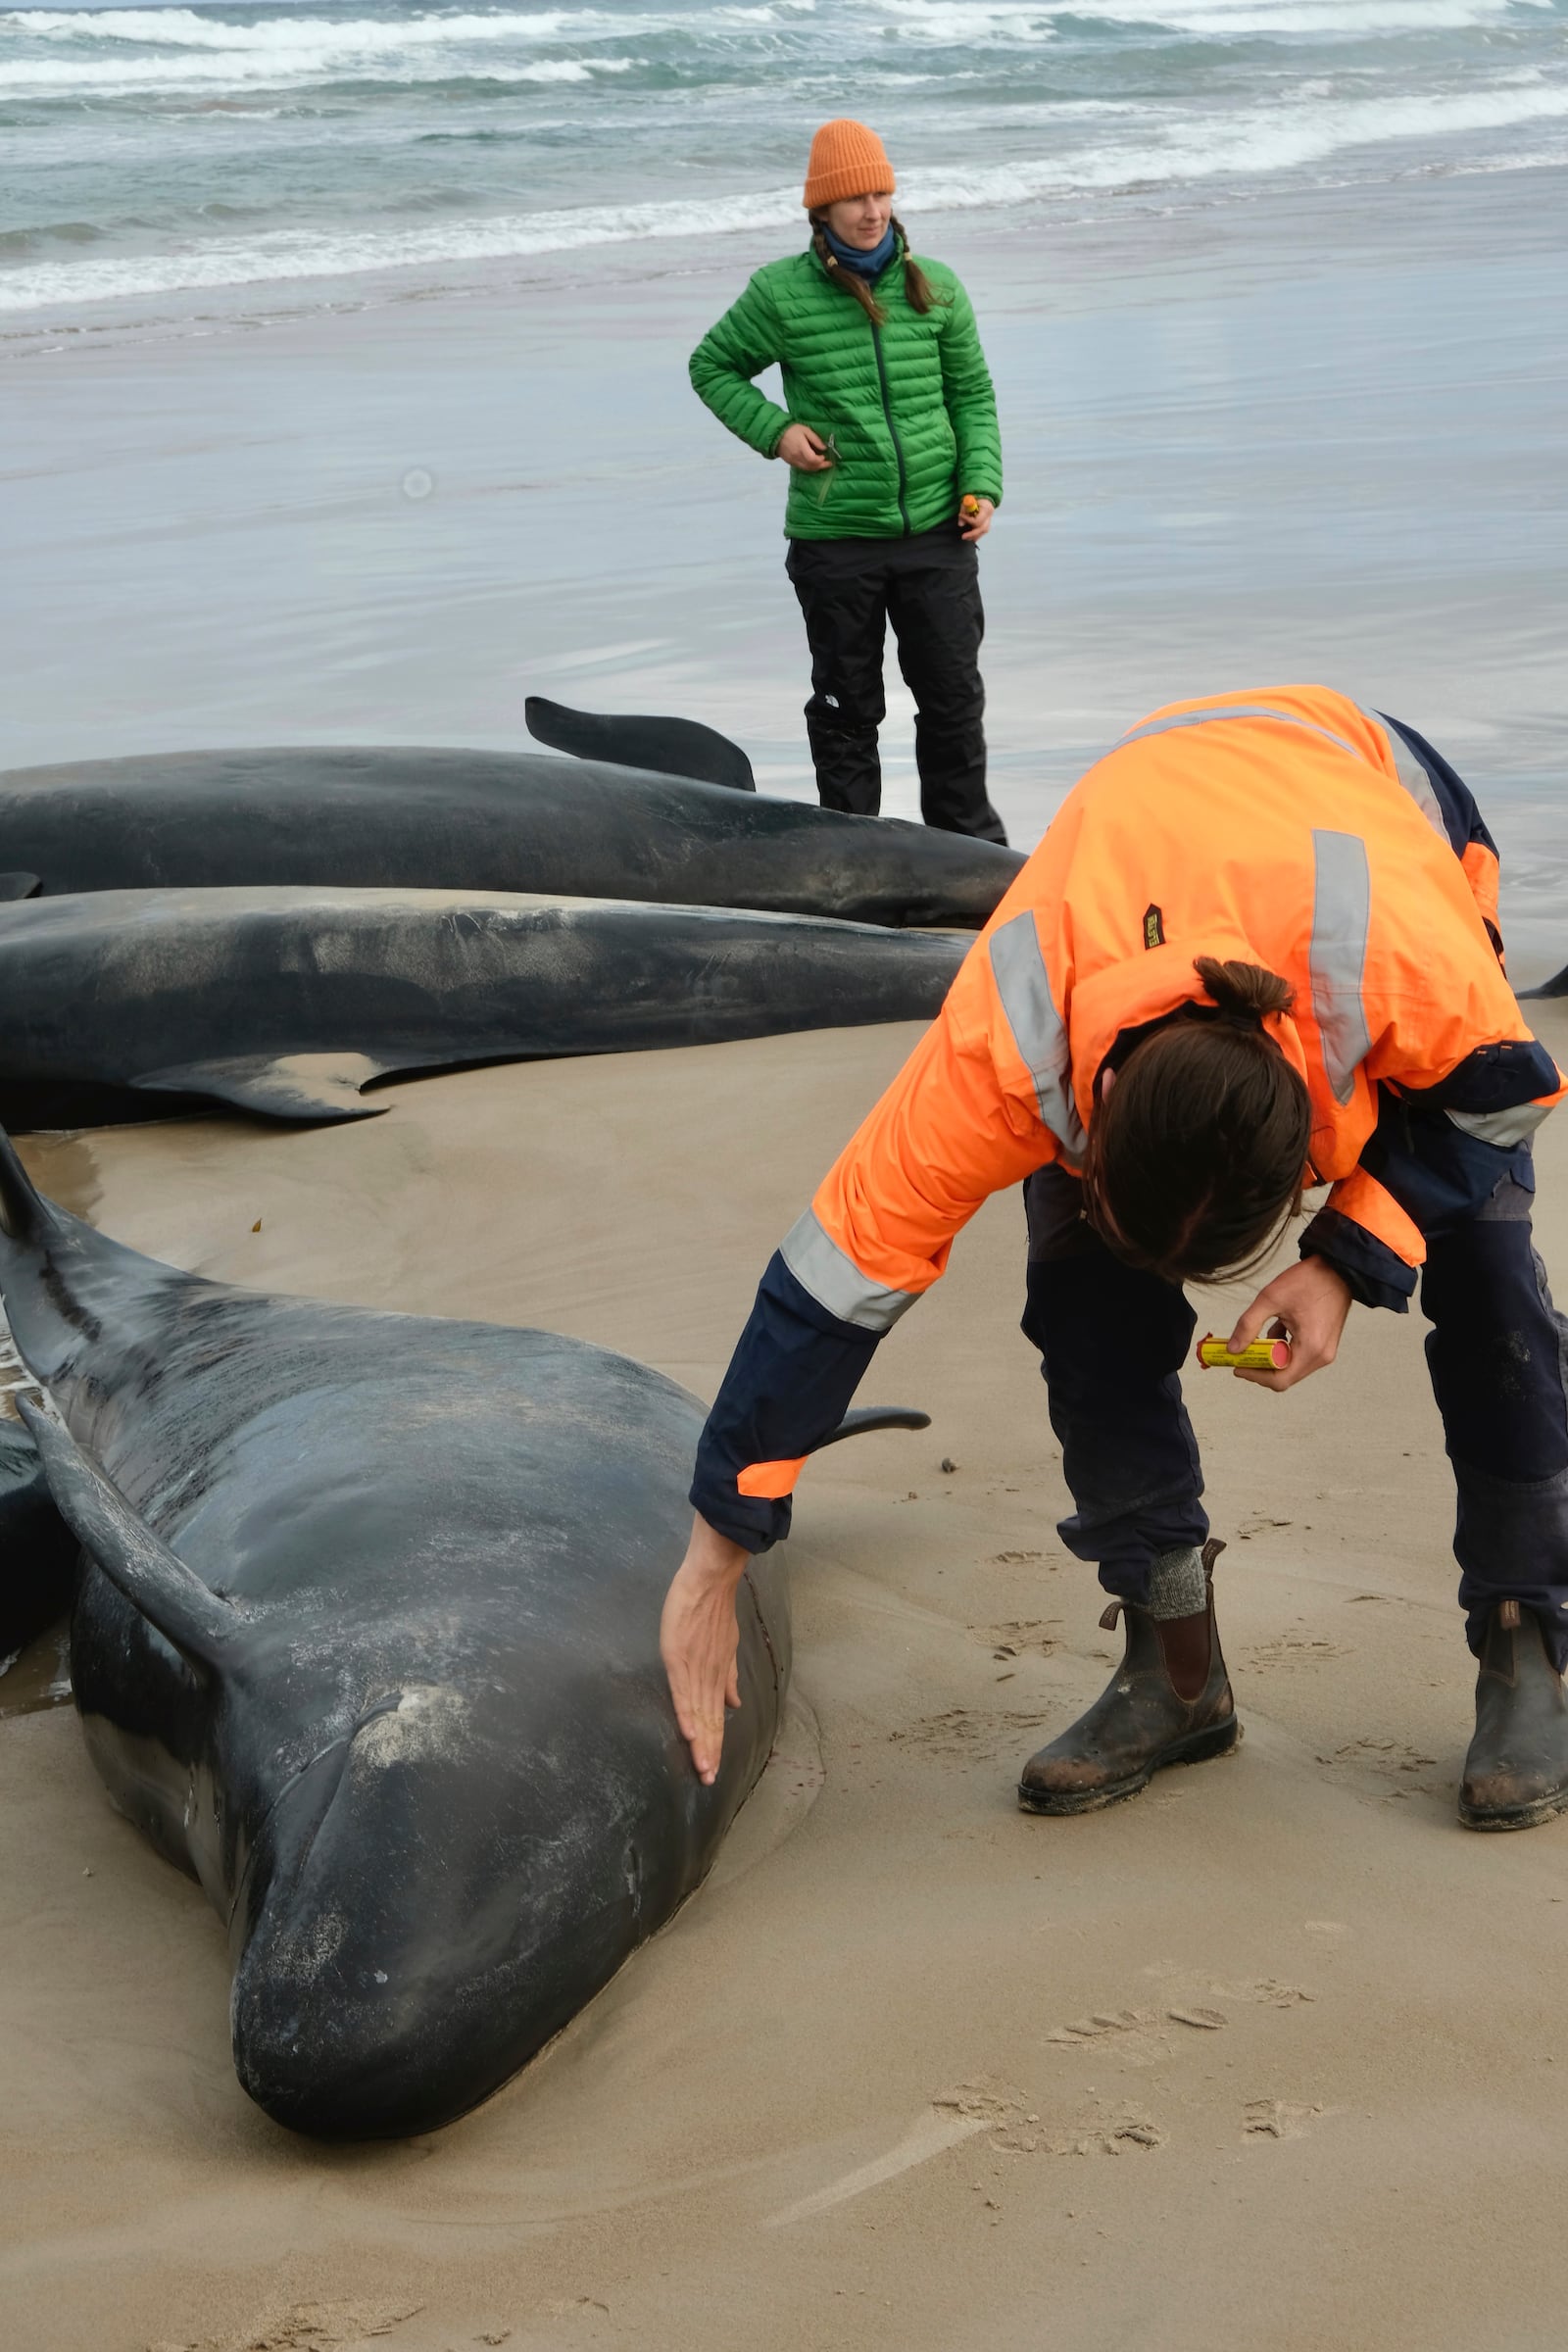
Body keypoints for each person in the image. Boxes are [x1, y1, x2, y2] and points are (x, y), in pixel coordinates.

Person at [660, 685, 1568, 1835]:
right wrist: (716, 1548)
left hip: (1380, 794)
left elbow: (1500, 1103)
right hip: (1144, 853)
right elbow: (832, 1284)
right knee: (1084, 1305)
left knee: (1486, 1283)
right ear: (1084, 1128)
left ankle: (1522, 1642)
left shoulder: (1401, 957)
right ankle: (1175, 1665)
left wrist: (1344, 1254)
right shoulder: (1010, 1033)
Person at [689, 118, 1007, 845]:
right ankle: (850, 856)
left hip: (937, 532)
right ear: (822, 211)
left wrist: (981, 484)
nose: (872, 211)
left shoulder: (938, 289)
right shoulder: (780, 294)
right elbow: (711, 366)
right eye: (855, 199)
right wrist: (776, 433)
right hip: (837, 542)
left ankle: (970, 855)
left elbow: (974, 397)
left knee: (953, 702)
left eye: (882, 194)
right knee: (847, 707)